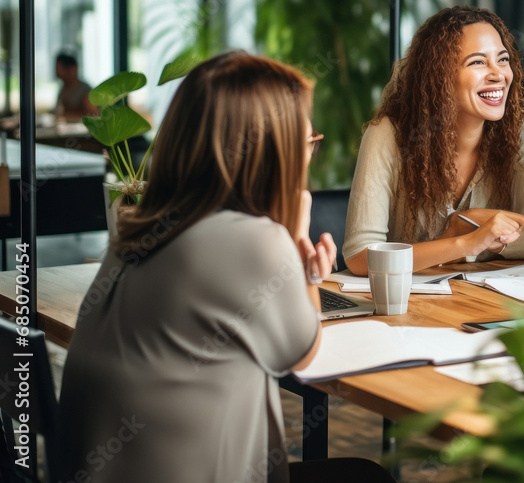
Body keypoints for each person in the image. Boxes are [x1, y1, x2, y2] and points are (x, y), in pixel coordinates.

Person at [58, 52, 393, 483]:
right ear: (271, 152)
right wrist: (293, 235)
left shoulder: (138, 229)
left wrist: (303, 272)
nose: (308, 156)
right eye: (306, 142)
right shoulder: (252, 239)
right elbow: (302, 352)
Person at [344, 5, 524, 275]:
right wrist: (464, 238)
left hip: (485, 299)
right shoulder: (388, 135)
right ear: (440, 77)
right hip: (406, 305)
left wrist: (464, 221)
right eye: (478, 62)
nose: (498, 75)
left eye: (502, 59)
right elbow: (360, 256)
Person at [54, 51, 99, 120]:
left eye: (60, 68)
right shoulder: (63, 89)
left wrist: (66, 115)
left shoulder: (85, 90)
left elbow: (92, 115)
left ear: (72, 69)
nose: (56, 71)